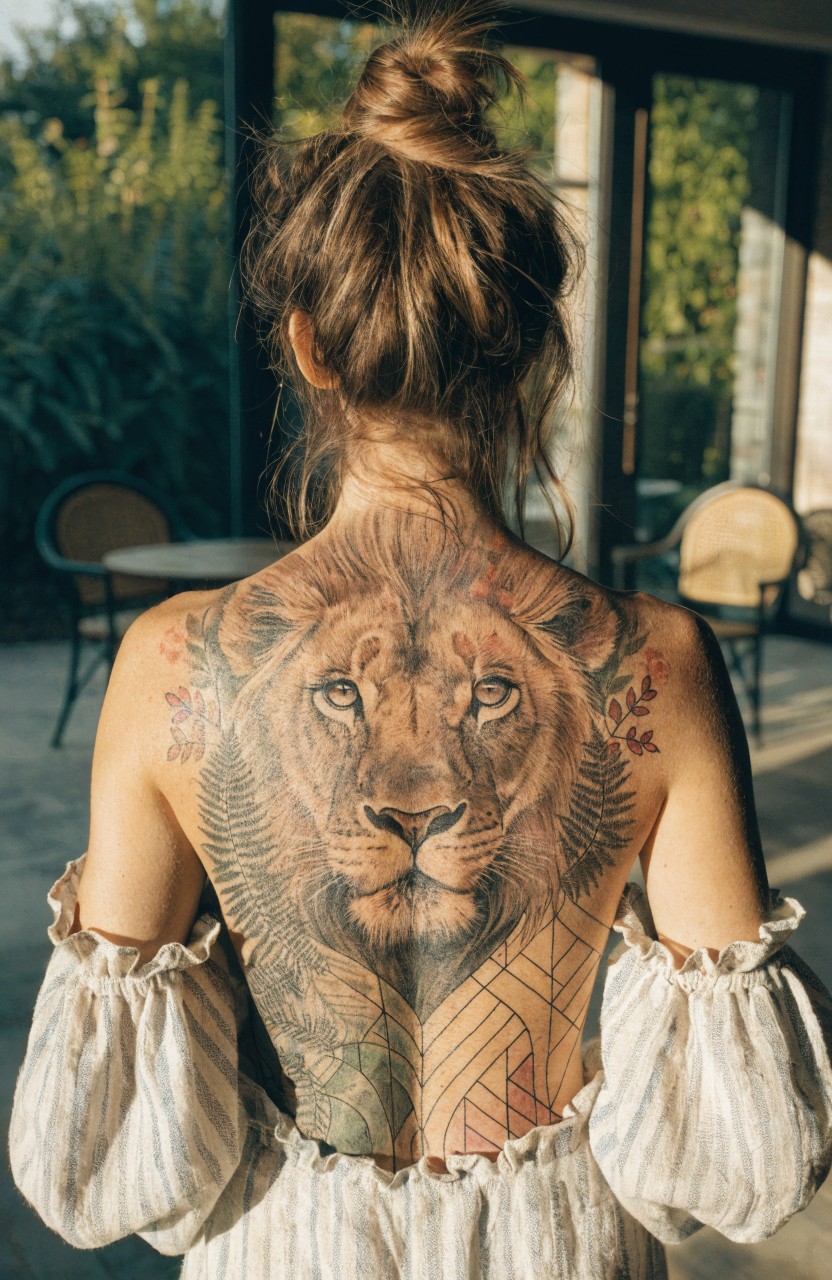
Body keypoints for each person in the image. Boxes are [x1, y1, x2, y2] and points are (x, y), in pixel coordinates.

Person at [9, 4, 832, 1278]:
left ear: (306, 346)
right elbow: (749, 1158)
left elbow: (105, 1158)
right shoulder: (651, 658)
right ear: (532, 352)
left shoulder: (175, 664)